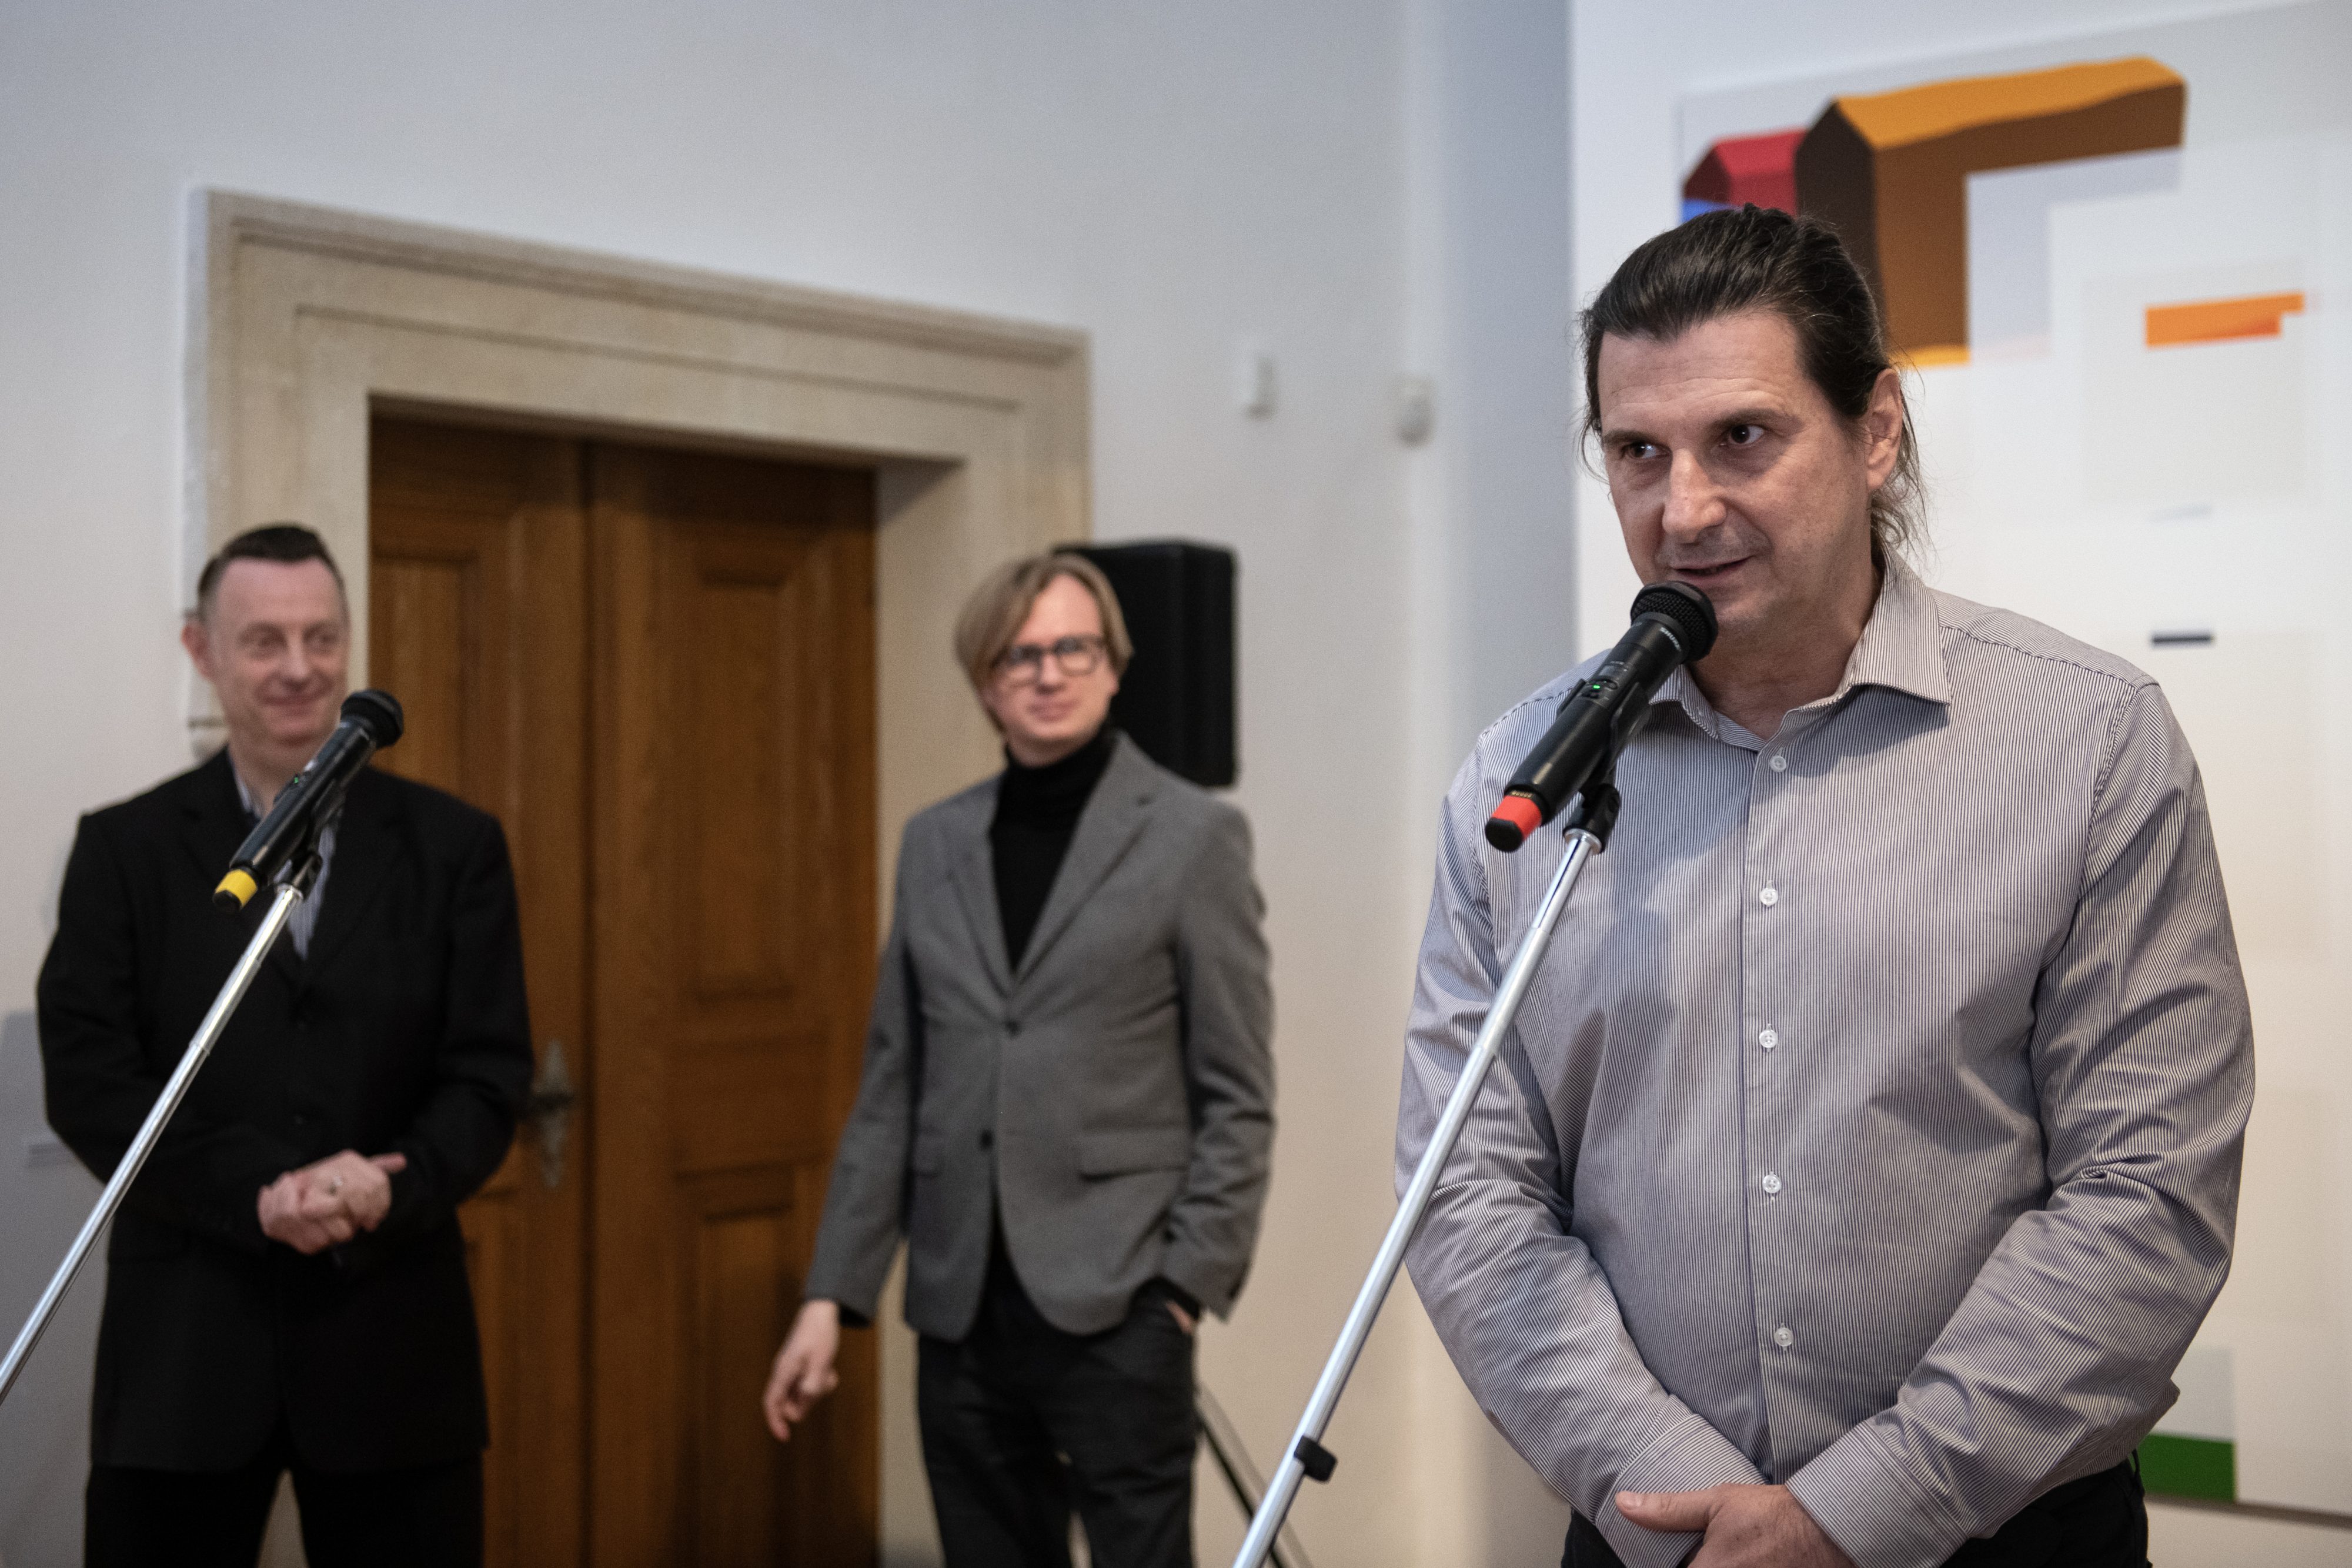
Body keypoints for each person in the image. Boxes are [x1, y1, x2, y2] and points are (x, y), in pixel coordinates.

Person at [1398, 206, 2251, 1568]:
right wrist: (1681, 1500)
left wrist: (1858, 1510)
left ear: (1874, 432)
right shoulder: (1520, 778)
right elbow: (1466, 1193)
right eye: (1636, 452)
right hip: (1658, 1540)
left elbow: (2146, 1190)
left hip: (2000, 1532)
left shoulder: (2086, 741)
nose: (1682, 509)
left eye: (1741, 436)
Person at [763, 551, 1274, 1568]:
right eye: (1020, 655)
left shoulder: (1194, 838)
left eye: (1073, 648)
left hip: (1121, 1306)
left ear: (1113, 665)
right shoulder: (933, 843)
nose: (1049, 673)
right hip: (959, 1313)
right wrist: (831, 1296)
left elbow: (1238, 1095)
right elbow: (893, 1086)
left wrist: (1182, 1289)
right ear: (985, 681)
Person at [38, 523, 533, 1567]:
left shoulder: (454, 847)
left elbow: (489, 1077)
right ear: (203, 651)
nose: (299, 668)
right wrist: (256, 1194)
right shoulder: (124, 850)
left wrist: (390, 1184)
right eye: (264, 641)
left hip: (392, 1342)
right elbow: (92, 1085)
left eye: (322, 637)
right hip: (185, 1351)